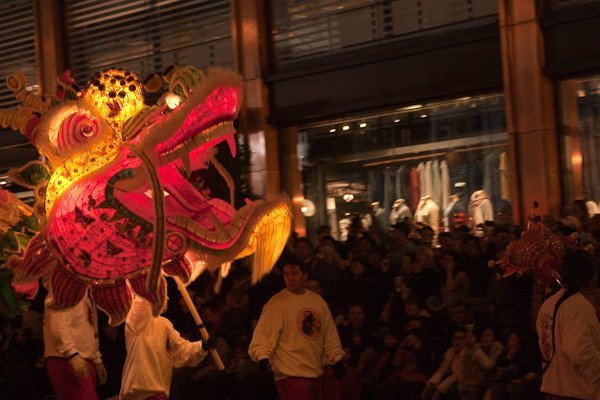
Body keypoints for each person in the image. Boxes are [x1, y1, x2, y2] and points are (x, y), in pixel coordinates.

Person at [248, 258, 346, 400]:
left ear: (305, 275)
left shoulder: (317, 301)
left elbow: (328, 334)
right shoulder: (276, 304)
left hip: (315, 372)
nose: (290, 278)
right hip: (290, 373)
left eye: (295, 273)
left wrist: (336, 358)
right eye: (286, 274)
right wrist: (263, 358)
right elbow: (263, 336)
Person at [119, 295, 212, 400]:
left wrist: (202, 346)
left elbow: (181, 351)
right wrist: (149, 281)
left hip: (158, 393)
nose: (168, 297)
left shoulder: (165, 324)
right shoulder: (138, 318)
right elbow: (142, 296)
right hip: (140, 392)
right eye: (163, 293)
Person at [536, 249, 600, 400]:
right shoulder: (578, 306)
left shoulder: (548, 304)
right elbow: (579, 353)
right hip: (575, 391)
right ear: (591, 278)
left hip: (555, 388)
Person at [43, 290, 107, 400]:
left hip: (81, 358)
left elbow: (87, 328)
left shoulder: (84, 295)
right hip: (66, 358)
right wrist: (73, 355)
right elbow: (58, 328)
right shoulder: (63, 292)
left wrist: (96, 358)